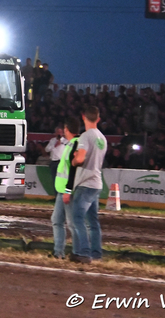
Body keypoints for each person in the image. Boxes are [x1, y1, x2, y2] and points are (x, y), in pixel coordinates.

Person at [66, 105, 107, 264]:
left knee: (77, 219)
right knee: (93, 221)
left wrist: (74, 159)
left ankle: (83, 252)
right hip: (96, 182)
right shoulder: (102, 138)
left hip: (85, 183)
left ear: (83, 117)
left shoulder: (85, 136)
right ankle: (96, 253)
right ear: (98, 119)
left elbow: (81, 159)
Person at [51, 116, 80, 259]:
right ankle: (58, 253)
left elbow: (73, 171)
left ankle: (78, 252)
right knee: (57, 220)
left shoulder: (75, 145)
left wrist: (68, 191)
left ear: (67, 129)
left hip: (68, 191)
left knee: (72, 224)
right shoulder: (70, 144)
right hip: (62, 191)